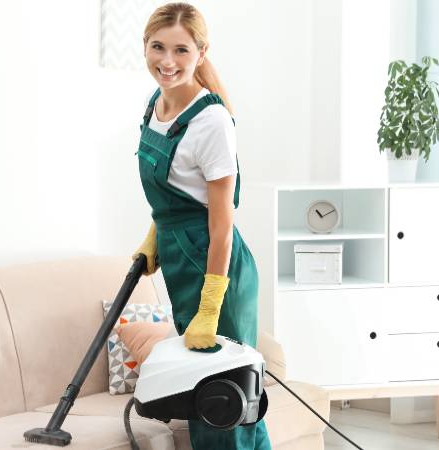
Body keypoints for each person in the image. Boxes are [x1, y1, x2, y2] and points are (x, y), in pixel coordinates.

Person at [131, 3, 271, 449]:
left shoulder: (211, 122)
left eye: (180, 50)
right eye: (157, 47)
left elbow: (222, 223)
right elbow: (174, 193)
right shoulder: (158, 103)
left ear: (201, 51)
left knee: (222, 399)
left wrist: (212, 305)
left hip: (217, 266)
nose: (166, 61)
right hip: (180, 258)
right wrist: (156, 234)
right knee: (216, 397)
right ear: (146, 46)